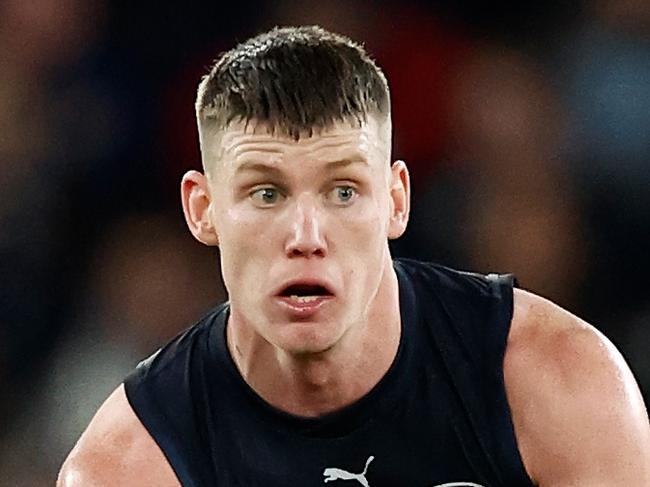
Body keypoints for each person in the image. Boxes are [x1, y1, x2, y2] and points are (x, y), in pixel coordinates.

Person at [57, 26, 650, 487]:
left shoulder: (556, 382)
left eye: (343, 191)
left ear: (396, 202)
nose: (306, 235)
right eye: (267, 193)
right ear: (202, 210)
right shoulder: (132, 464)